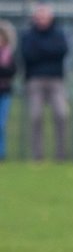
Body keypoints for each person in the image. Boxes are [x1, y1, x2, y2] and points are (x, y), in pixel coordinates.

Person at [20, 3, 71, 161]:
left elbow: (61, 51)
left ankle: (61, 156)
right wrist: (48, 51)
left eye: (45, 16)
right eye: (39, 16)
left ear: (51, 17)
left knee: (61, 114)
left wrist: (41, 50)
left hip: (56, 80)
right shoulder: (28, 35)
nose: (42, 19)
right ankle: (38, 156)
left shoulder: (59, 34)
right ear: (34, 18)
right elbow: (28, 55)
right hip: (34, 80)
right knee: (36, 116)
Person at [0, 20, 16, 160]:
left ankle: (1, 153)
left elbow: (11, 71)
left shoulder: (8, 55)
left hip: (4, 92)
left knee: (1, 124)